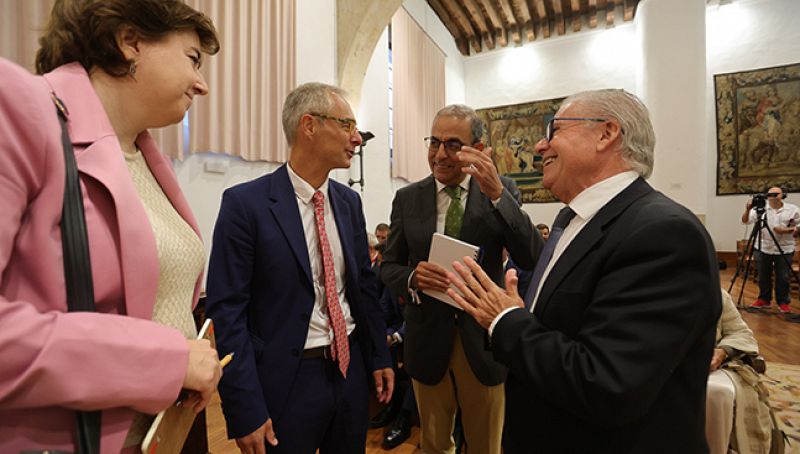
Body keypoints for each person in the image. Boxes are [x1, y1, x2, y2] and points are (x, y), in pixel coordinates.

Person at [0, 1, 222, 452]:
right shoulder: (22, 109)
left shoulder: (144, 157)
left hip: (167, 427)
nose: (201, 85)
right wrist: (166, 361)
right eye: (192, 59)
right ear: (130, 41)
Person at [447, 89, 722, 453]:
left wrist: (505, 320)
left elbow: (608, 384)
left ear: (607, 134)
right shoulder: (572, 220)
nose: (540, 147)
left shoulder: (664, 232)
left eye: (555, 129)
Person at [205, 82, 394, 453]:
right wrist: (245, 407)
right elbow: (227, 313)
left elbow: (364, 288)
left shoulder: (348, 203)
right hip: (287, 378)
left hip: (349, 369)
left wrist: (378, 357)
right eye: (347, 125)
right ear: (309, 126)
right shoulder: (246, 205)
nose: (356, 139)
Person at [380, 104, 542, 454]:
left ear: (478, 150)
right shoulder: (408, 198)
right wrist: (412, 277)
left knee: (486, 445)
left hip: (482, 341)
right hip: (427, 338)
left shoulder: (501, 190)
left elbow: (531, 255)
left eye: (453, 144)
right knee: (435, 445)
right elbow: (388, 265)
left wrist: (498, 193)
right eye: (434, 142)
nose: (440, 154)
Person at [706, 289, 772, 454]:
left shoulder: (716, 295)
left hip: (708, 369)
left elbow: (741, 333)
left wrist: (722, 351)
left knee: (717, 393)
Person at [741, 187, 799, 313]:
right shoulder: (760, 209)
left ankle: (783, 302)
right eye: (770, 194)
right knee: (763, 275)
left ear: (782, 195)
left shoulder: (792, 209)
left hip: (784, 248)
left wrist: (786, 230)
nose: (772, 196)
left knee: (783, 276)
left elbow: (799, 227)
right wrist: (748, 209)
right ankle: (764, 299)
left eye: (775, 194)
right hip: (762, 246)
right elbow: (745, 221)